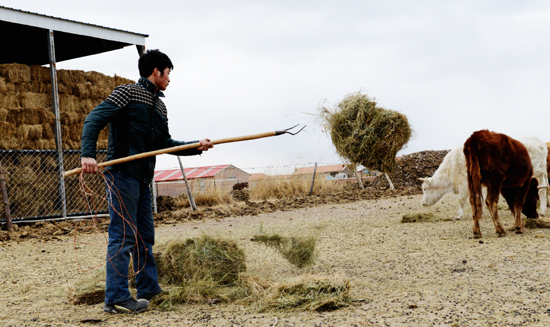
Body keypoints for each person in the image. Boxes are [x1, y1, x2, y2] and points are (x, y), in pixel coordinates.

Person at [80, 49, 213, 314]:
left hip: (142, 180)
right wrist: (87, 154)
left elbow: (164, 144)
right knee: (123, 236)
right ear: (157, 71)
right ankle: (116, 297)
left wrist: (195, 146)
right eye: (168, 74)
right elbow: (94, 118)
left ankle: (148, 288)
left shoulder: (160, 106)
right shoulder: (126, 93)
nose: (169, 79)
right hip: (122, 175)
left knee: (145, 237)